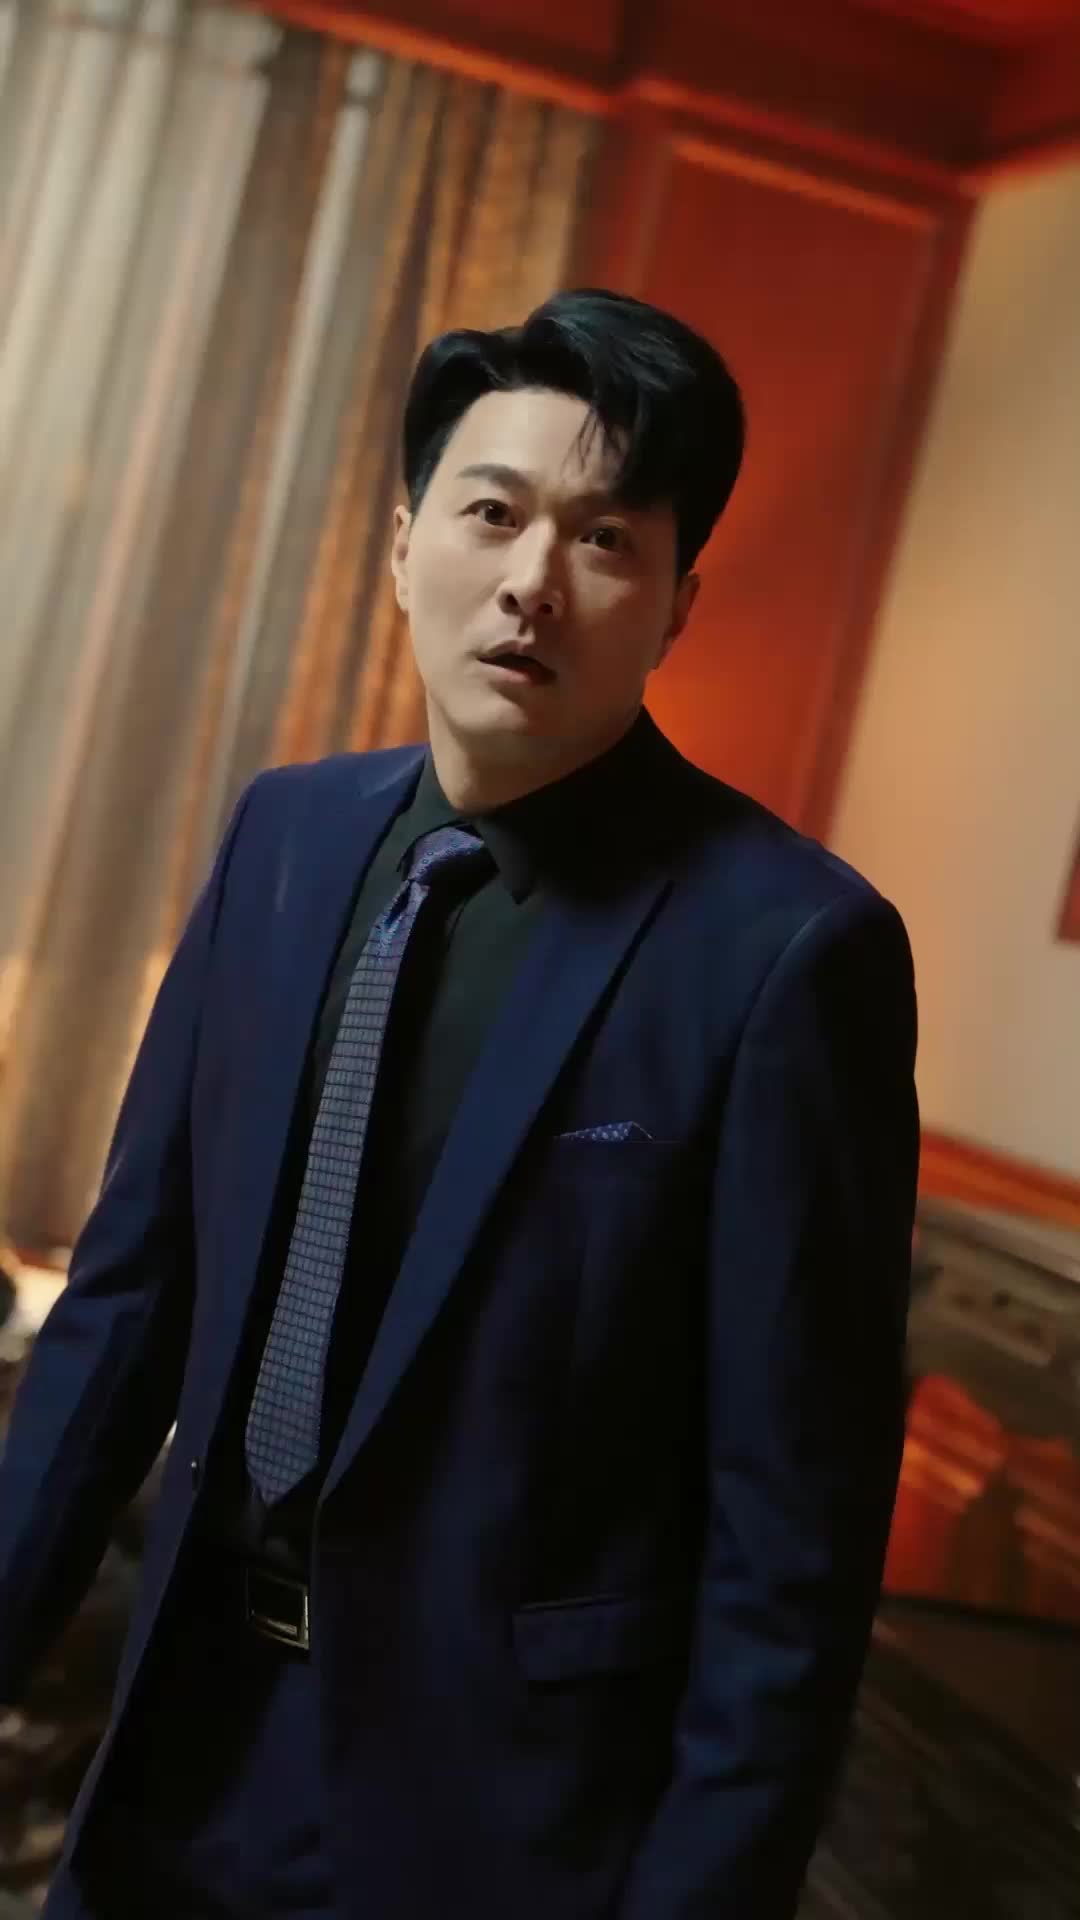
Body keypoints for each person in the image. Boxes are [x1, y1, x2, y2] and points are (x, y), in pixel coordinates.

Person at [0, 288, 919, 1920]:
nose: (533, 582)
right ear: (403, 542)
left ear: (678, 605)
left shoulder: (788, 951)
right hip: (178, 1747)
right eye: (493, 514)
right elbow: (128, 1309)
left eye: (606, 539)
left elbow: (790, 1546)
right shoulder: (283, 841)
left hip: (498, 1829)